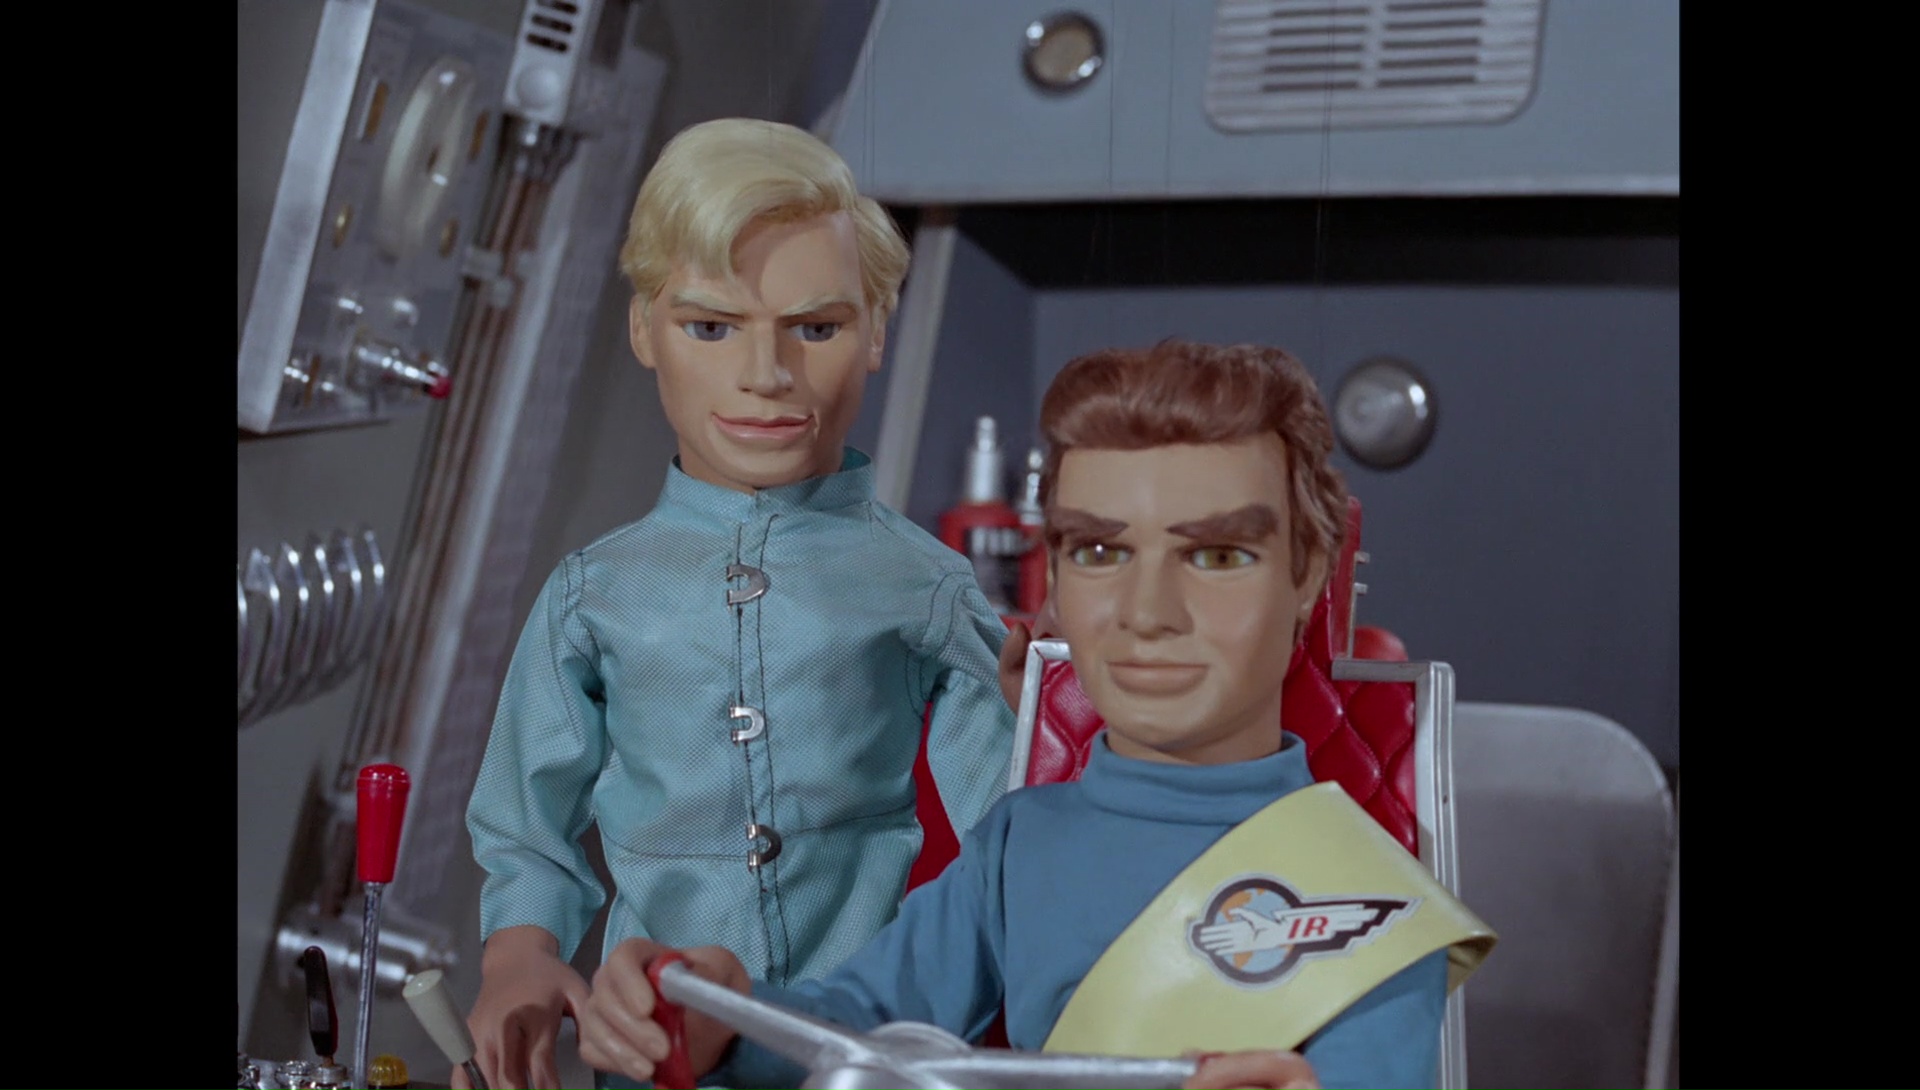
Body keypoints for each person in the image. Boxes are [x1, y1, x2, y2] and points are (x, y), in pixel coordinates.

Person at [573, 340, 1496, 1090]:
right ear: (1053, 574)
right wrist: (717, 1018)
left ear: (1306, 575)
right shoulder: (1020, 841)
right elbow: (858, 1028)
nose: (1147, 613)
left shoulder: (1365, 905)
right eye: (1099, 551)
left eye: (1216, 556)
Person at [459, 118, 1021, 1090]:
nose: (766, 374)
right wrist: (519, 954)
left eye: (817, 327)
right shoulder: (595, 594)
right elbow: (526, 821)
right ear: (645, 330)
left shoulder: (922, 585)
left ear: (876, 333)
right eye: (711, 327)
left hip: (853, 1039)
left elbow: (1008, 838)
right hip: (651, 1044)